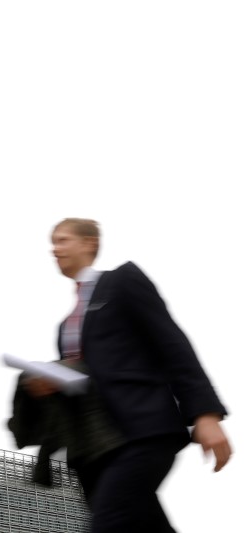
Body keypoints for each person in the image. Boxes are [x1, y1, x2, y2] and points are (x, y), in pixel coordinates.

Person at [26, 218, 232, 532]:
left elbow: (171, 343)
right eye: (53, 242)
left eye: (63, 239)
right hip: (94, 447)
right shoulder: (65, 325)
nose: (56, 249)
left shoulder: (121, 282)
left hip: (140, 434)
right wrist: (50, 381)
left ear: (89, 243)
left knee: (108, 525)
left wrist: (205, 414)